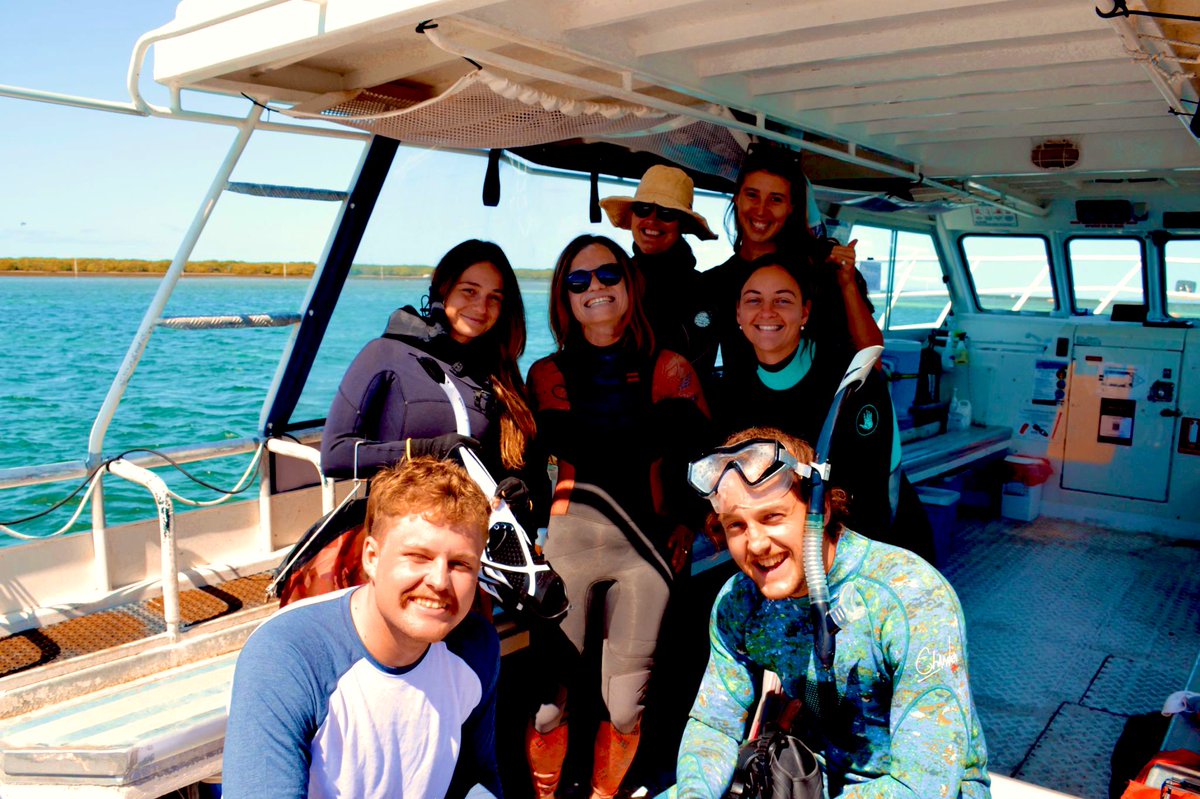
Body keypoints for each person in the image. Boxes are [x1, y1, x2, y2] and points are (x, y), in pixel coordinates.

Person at [660, 427, 990, 799]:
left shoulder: (910, 596)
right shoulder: (740, 602)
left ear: (822, 509)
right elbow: (714, 724)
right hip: (808, 778)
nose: (755, 543)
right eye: (737, 525)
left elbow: (927, 782)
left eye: (772, 517)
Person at [524, 234, 710, 799]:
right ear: (564, 298)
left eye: (607, 275)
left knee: (626, 710)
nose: (594, 289)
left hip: (645, 555)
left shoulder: (670, 366)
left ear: (630, 285)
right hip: (569, 550)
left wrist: (685, 517)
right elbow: (556, 453)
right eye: (578, 281)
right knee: (547, 710)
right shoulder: (547, 373)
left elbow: (702, 454)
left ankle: (606, 796)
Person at [223, 457, 503, 799]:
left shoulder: (475, 647)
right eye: (418, 556)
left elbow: (475, 775)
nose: (439, 581)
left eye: (460, 564)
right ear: (371, 557)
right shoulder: (287, 656)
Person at [712, 258, 934, 560]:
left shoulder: (853, 379)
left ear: (804, 312)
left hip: (879, 550)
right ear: (738, 312)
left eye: (782, 300)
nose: (767, 312)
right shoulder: (733, 389)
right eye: (754, 300)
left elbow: (871, 496)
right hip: (789, 552)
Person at [320, 238, 537, 515]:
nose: (481, 308)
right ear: (441, 291)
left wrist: (518, 489)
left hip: (470, 537)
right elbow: (335, 455)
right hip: (400, 532)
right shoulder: (386, 354)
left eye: (494, 298)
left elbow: (517, 470)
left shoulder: (501, 381)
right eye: (469, 291)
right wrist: (427, 450)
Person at [700, 144, 882, 376]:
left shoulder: (822, 269)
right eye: (752, 195)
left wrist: (847, 285)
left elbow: (872, 358)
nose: (761, 210)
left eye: (775, 199)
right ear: (737, 198)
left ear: (791, 208)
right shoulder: (715, 283)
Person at [599, 164, 718, 372]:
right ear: (633, 216)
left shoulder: (706, 290)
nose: (652, 219)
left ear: (682, 224)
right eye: (642, 208)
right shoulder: (613, 282)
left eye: (667, 212)